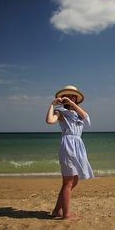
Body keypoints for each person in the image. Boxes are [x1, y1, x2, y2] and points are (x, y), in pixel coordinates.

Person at [46, 85, 94, 220]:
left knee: (75, 180)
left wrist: (72, 104)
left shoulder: (79, 113)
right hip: (68, 144)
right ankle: (66, 215)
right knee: (67, 182)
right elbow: (49, 121)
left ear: (76, 99)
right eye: (67, 96)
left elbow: (86, 119)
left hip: (78, 144)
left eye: (73, 96)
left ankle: (56, 210)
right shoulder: (60, 112)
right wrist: (52, 105)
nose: (70, 98)